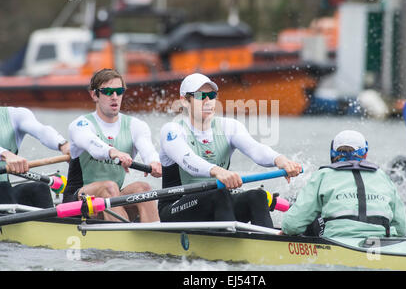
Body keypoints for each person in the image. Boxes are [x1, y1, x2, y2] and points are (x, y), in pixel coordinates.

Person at [158, 72, 302, 228]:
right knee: (220, 194)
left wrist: (280, 160)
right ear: (185, 101)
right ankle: (228, 244)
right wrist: (218, 171)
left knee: (257, 196)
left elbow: (256, 149)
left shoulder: (229, 126)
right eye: (201, 96)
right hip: (175, 207)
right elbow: (187, 161)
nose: (208, 101)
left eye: (212, 95)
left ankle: (266, 245)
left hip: (218, 202)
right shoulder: (172, 130)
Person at [63, 69, 162, 223]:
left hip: (111, 199)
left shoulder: (135, 126)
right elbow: (92, 144)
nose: (115, 97)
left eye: (119, 91)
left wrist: (154, 162)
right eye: (108, 91)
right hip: (77, 202)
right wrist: (113, 152)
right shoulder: (80, 125)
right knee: (109, 187)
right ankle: (124, 242)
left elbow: (148, 149)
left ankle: (156, 239)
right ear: (94, 95)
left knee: (143, 189)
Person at [281, 130, 406, 238]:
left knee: (313, 214)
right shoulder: (383, 176)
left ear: (333, 152)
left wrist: (287, 231)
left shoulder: (323, 175)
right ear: (365, 153)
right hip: (381, 241)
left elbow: (292, 225)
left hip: (336, 239)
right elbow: (401, 229)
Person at [0, 106, 70, 208]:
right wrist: (5, 154)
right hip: (4, 193)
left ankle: (51, 223)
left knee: (39, 189)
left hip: (4, 193)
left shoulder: (15, 115)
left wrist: (64, 145)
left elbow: (42, 131)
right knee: (4, 190)